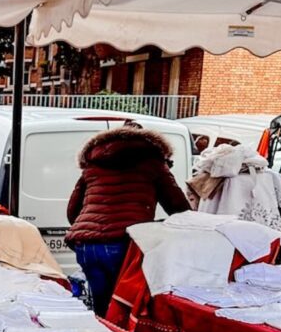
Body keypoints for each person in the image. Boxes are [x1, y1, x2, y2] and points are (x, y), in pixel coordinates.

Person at [65, 122, 190, 315]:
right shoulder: (152, 162)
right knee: (122, 307)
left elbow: (73, 212)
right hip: (123, 242)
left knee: (100, 306)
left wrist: (94, 226)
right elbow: (178, 207)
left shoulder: (93, 164)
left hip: (86, 245)